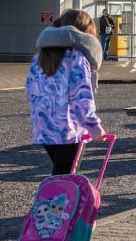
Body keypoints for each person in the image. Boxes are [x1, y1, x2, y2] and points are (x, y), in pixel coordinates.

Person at [27, 9, 107, 176]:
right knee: (64, 176)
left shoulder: (41, 56)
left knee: (61, 172)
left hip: (43, 127)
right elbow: (81, 96)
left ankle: (60, 201)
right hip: (68, 129)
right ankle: (55, 202)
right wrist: (93, 126)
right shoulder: (76, 56)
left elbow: (30, 89)